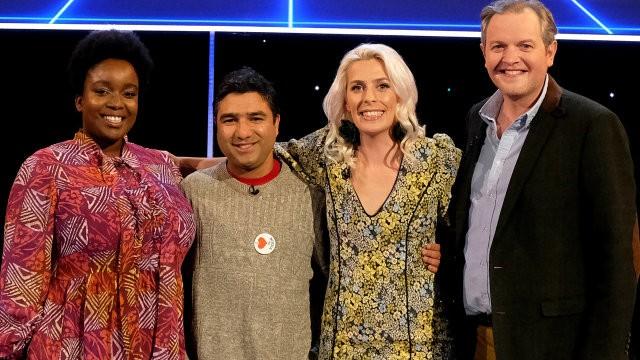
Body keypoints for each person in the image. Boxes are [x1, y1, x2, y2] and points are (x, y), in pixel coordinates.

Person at [444, 1, 637, 358]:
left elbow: (615, 262)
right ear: (483, 52)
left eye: (525, 46)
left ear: (550, 52)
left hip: (553, 346)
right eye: (499, 46)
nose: (510, 57)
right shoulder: (476, 120)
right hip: (474, 340)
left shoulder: (592, 126)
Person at [0, 30, 196, 358]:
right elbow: (21, 276)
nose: (116, 103)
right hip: (74, 343)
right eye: (101, 91)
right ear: (80, 99)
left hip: (158, 343)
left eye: (129, 93)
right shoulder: (47, 167)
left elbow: (230, 168)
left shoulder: (161, 166)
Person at [276, 43, 461, 359]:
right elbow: (256, 156)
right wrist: (171, 164)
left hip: (420, 345)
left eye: (382, 86)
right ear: (345, 101)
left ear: (400, 94)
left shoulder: (436, 160)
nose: (369, 98)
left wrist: (452, 257)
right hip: (343, 345)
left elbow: (483, 227)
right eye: (357, 87)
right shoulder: (328, 156)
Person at [180, 67, 328, 359]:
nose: (243, 132)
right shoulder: (193, 191)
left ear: (276, 124)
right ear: (216, 124)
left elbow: (344, 271)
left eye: (256, 118)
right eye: (230, 120)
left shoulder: (309, 195)